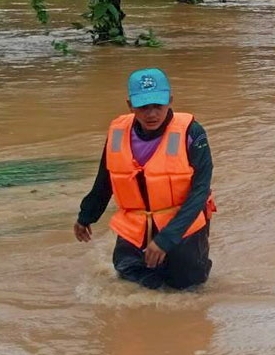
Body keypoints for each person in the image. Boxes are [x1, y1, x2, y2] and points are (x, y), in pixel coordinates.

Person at [74, 68, 214, 289]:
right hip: (136, 224)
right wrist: (86, 216)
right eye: (143, 107)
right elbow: (106, 179)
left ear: (170, 100)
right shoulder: (118, 133)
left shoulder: (192, 134)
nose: (151, 114)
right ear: (130, 105)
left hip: (182, 224)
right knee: (128, 278)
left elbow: (200, 192)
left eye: (158, 105)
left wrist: (166, 239)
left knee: (187, 288)